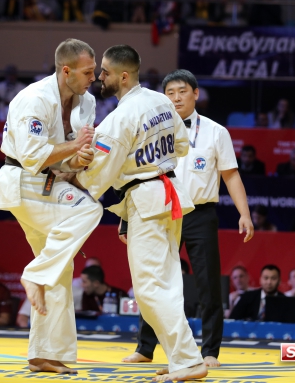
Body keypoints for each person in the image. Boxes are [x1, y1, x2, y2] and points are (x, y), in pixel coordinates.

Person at [74, 45, 208, 381]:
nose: (100, 77)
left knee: (149, 289)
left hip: (147, 200)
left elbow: (97, 174)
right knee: (168, 284)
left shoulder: (120, 118)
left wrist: (75, 168)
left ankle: (188, 361)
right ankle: (183, 358)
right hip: (169, 193)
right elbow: (181, 145)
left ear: (122, 76)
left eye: (105, 72)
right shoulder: (161, 101)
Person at [122, 69, 254, 369]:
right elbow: (135, 177)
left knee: (208, 284)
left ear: (196, 94)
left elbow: (231, 176)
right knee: (153, 280)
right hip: (159, 211)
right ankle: (145, 347)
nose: (176, 97)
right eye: (170, 93)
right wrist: (126, 220)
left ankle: (210, 351)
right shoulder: (151, 130)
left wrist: (244, 214)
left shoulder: (216, 132)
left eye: (182, 91)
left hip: (199, 214)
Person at [0, 38, 103, 374]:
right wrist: (76, 146)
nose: (93, 77)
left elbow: (72, 155)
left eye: (94, 71)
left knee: (61, 268)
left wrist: (81, 158)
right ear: (66, 71)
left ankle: (43, 355)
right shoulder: (34, 99)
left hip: (49, 183)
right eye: (87, 72)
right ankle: (34, 274)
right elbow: (32, 157)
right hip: (22, 180)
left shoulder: (87, 102)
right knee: (89, 209)